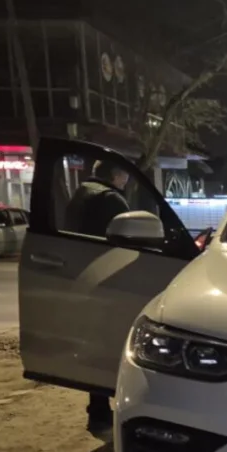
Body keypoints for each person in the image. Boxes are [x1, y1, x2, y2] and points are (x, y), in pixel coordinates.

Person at [65, 160, 131, 432]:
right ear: (115, 174)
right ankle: (112, 409)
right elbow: (131, 243)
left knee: (94, 343)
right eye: (125, 175)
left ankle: (98, 408)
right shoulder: (110, 200)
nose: (126, 181)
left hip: (82, 278)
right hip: (110, 281)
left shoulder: (81, 194)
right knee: (115, 343)